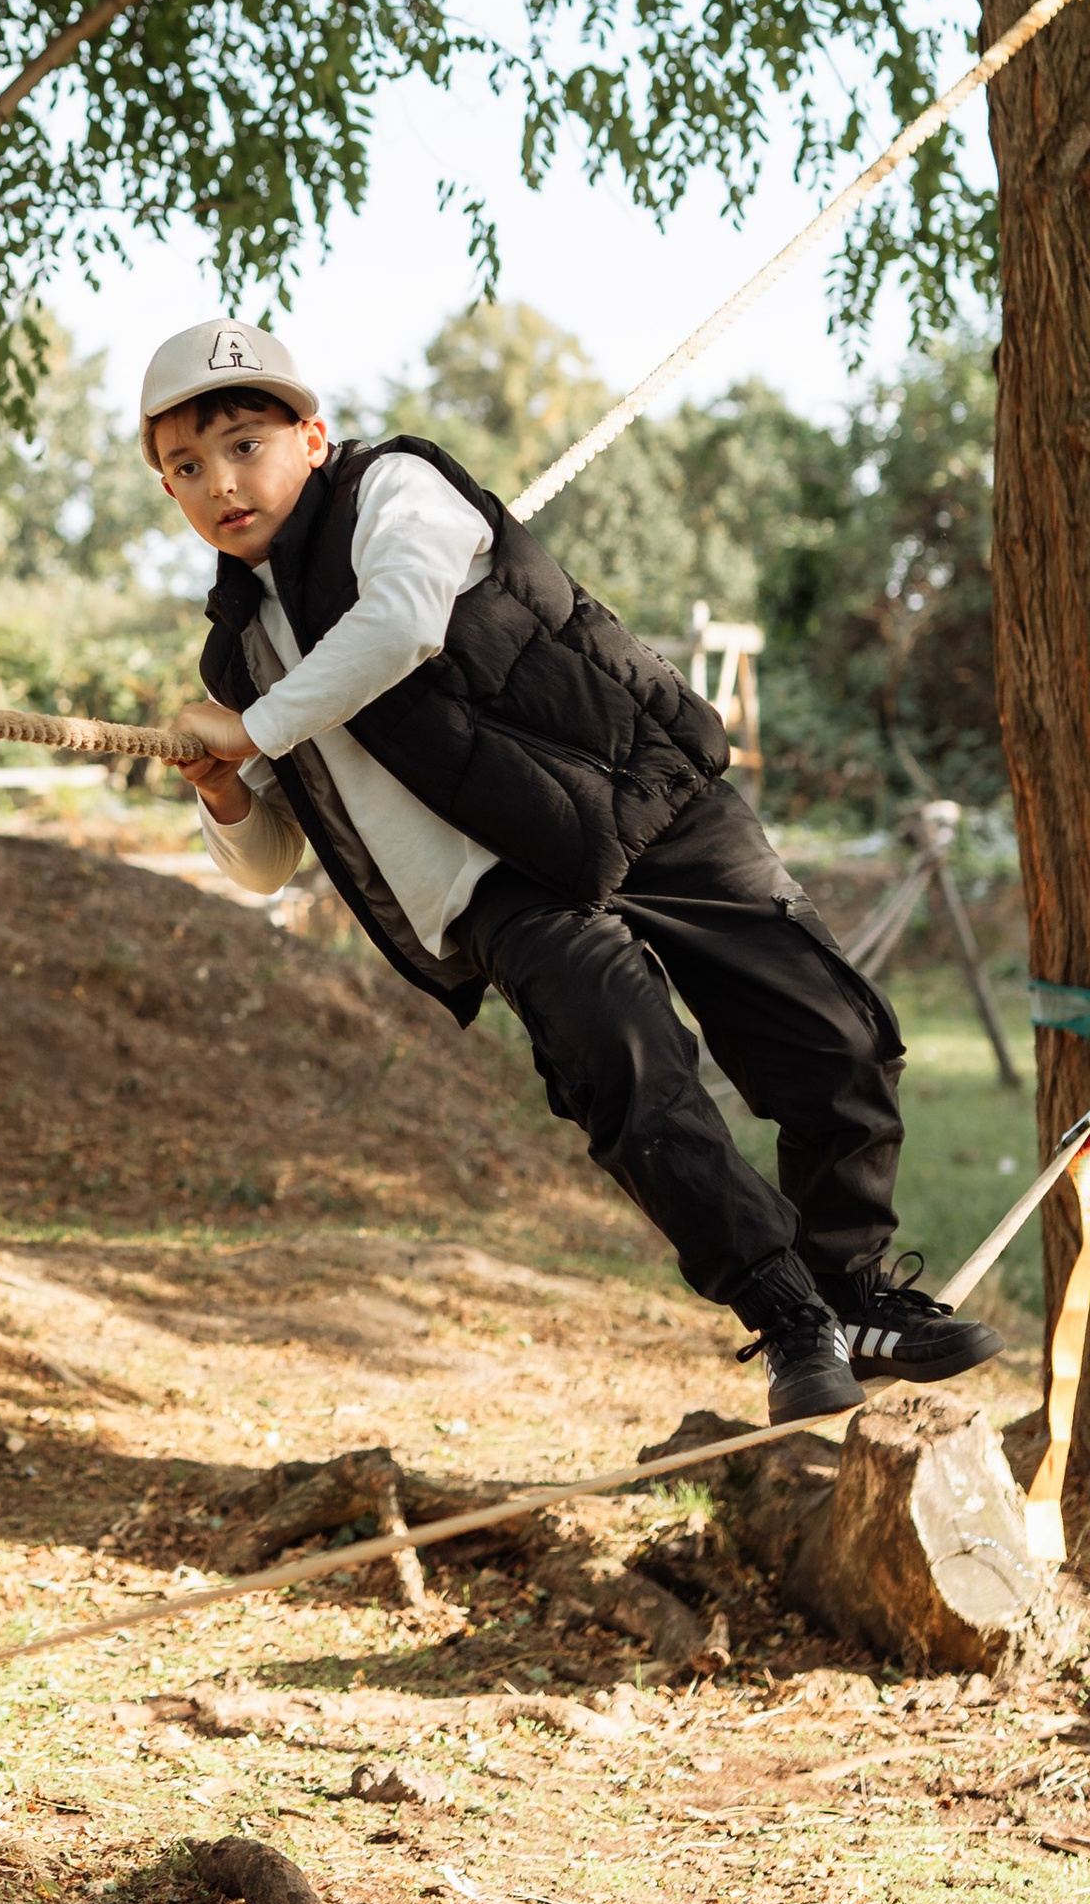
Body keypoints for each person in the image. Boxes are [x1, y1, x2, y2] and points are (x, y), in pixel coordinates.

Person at [142, 316, 1001, 1424]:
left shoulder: (394, 491)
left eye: (243, 444)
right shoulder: (240, 650)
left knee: (831, 1036)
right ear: (168, 492)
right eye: (185, 467)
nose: (221, 483)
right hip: (498, 891)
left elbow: (400, 621)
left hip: (638, 796)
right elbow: (270, 860)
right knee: (628, 1075)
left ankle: (853, 1292)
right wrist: (223, 789)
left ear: (311, 437)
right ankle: (791, 1321)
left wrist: (251, 731)